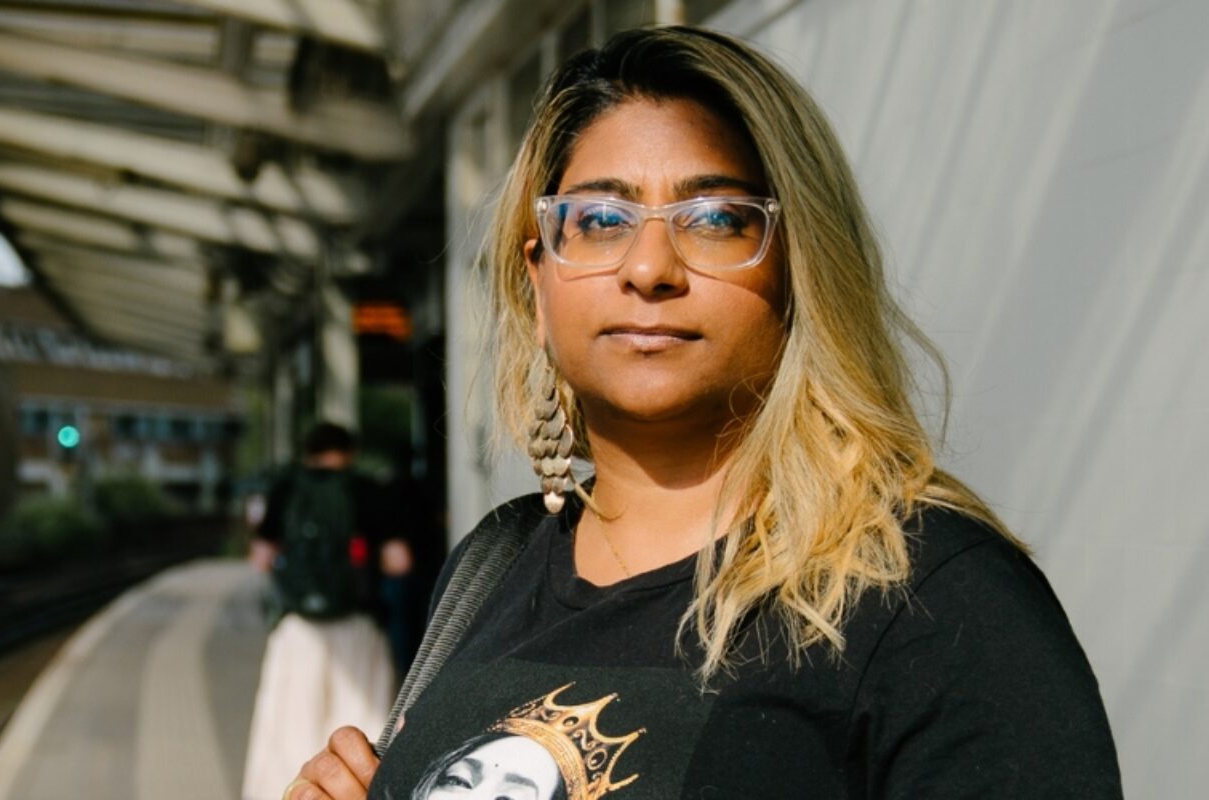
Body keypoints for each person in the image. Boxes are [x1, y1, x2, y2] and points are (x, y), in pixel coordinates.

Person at [286, 26, 1120, 800]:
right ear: (538, 283)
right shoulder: (491, 571)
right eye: (602, 219)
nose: (650, 267)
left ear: (803, 268)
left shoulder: (932, 604)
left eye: (717, 219)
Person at [244, 423, 409, 800]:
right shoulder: (365, 490)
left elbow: (260, 560)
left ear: (308, 452)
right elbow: (398, 561)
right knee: (361, 722)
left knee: (290, 724)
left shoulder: (286, 488)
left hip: (298, 631)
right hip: (357, 627)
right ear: (349, 453)